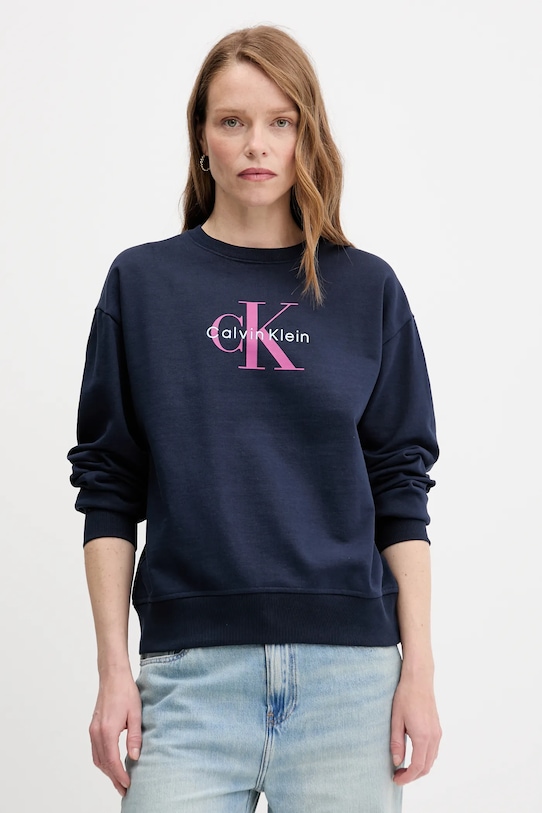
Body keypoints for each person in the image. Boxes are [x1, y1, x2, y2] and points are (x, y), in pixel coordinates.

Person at [68, 23, 441, 813]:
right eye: (232, 121)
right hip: (189, 683)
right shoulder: (142, 285)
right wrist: (112, 670)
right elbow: (109, 486)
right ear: (202, 139)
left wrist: (420, 671)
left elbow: (401, 488)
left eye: (281, 121)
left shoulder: (368, 290)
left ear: (309, 134)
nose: (256, 144)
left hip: (350, 686)